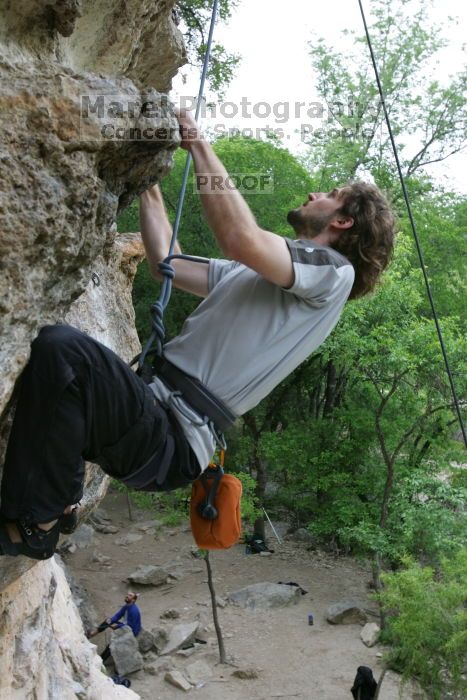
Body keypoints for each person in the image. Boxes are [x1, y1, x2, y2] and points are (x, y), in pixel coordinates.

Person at [0, 110, 396, 560]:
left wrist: (198, 144)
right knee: (67, 377)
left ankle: (36, 523)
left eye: (331, 195)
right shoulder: (257, 277)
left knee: (63, 351)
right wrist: (147, 183)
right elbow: (169, 264)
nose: (314, 193)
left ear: (343, 221)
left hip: (171, 433)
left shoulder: (333, 274)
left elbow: (239, 237)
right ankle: (60, 496)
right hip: (156, 422)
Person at [87, 591, 141, 663]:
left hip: (131, 631)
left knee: (113, 643)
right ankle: (92, 633)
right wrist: (111, 621)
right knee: (107, 621)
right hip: (125, 625)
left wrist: (117, 626)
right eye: (128, 594)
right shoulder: (126, 606)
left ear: (133, 600)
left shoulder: (134, 611)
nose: (127, 596)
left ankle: (101, 661)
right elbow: (118, 615)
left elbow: (130, 626)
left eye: (130, 596)